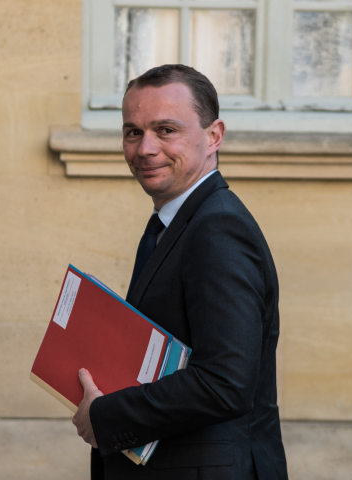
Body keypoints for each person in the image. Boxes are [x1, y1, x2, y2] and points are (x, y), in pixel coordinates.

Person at [71, 64, 288, 479]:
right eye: (133, 132)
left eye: (166, 130)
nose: (145, 148)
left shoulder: (218, 228)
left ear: (214, 136)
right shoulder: (177, 224)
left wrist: (107, 415)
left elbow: (226, 383)